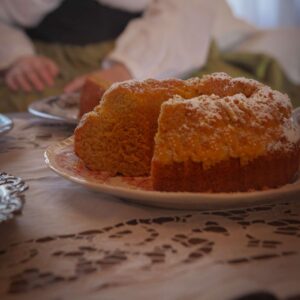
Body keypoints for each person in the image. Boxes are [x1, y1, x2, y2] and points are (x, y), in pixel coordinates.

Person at [0, 0, 217, 112]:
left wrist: (126, 68)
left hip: (152, 56)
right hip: (39, 59)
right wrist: (15, 55)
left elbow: (188, 12)